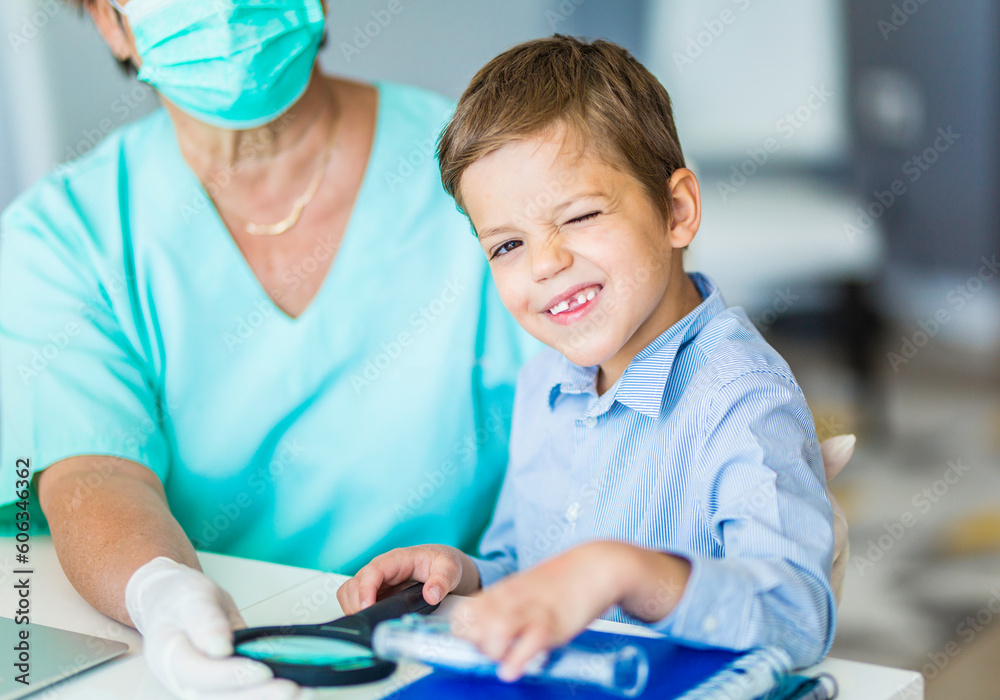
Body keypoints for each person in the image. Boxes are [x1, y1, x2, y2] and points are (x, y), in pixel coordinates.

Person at [0, 1, 535, 698]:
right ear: (110, 20)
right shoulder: (64, 239)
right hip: (217, 657)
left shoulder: (490, 172)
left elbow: (615, 423)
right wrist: (158, 591)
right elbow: (93, 474)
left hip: (470, 646)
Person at [338, 36, 841, 680]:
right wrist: (459, 575)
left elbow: (798, 619)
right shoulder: (542, 383)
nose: (546, 263)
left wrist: (622, 571)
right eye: (507, 245)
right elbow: (529, 571)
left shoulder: (744, 399)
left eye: (578, 216)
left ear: (677, 211)